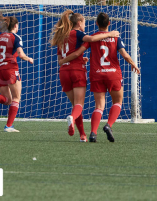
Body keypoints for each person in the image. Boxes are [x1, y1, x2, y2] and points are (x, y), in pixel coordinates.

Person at [59, 12, 140, 143]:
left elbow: (79, 52)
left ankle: (93, 133)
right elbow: (124, 54)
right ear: (109, 23)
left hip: (96, 74)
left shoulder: (92, 37)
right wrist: (133, 64)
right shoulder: (115, 37)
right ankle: (108, 125)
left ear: (96, 23)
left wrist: (63, 61)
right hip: (113, 73)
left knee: (99, 106)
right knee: (118, 102)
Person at [51, 10, 119, 142]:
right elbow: (92, 39)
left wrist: (76, 60)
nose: (85, 26)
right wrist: (111, 34)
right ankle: (72, 118)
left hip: (64, 72)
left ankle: (82, 135)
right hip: (77, 71)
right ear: (79, 22)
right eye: (84, 23)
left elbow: (61, 58)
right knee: (79, 105)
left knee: (76, 105)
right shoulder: (78, 33)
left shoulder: (61, 36)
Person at [0, 14, 33, 132]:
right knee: (16, 98)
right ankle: (9, 126)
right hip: (11, 69)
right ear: (16, 26)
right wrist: (29, 59)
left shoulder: (0, 37)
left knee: (7, 100)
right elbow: (20, 55)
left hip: (0, 70)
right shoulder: (16, 37)